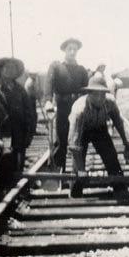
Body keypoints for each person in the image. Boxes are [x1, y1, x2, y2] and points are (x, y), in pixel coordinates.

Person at [67, 75, 129, 198]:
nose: (99, 98)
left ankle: (120, 189)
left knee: (111, 156)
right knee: (77, 165)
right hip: (82, 131)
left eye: (102, 94)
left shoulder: (110, 102)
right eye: (95, 95)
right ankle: (75, 193)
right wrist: (82, 170)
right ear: (89, 94)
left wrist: (126, 142)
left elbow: (119, 123)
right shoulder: (79, 110)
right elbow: (74, 145)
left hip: (99, 129)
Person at [44, 38, 89, 172]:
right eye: (70, 48)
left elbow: (86, 89)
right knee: (61, 139)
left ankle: (78, 172)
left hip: (78, 107)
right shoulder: (56, 67)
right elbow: (49, 83)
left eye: (75, 49)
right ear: (64, 50)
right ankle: (59, 171)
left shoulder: (82, 70)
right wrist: (48, 100)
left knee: (79, 139)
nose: (72, 51)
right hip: (62, 106)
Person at [0, 58, 33, 173]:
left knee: (17, 165)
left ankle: (16, 187)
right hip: (1, 132)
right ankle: (1, 189)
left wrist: (29, 133)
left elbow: (28, 113)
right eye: (7, 67)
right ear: (0, 70)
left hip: (18, 132)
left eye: (13, 68)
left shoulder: (20, 89)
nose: (10, 70)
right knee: (1, 164)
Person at [24, 71, 42, 135]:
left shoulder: (31, 80)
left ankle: (32, 130)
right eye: (34, 74)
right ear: (31, 75)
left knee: (33, 116)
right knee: (32, 116)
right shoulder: (30, 81)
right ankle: (31, 131)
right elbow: (33, 92)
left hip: (31, 100)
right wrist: (38, 96)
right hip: (29, 100)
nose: (35, 76)